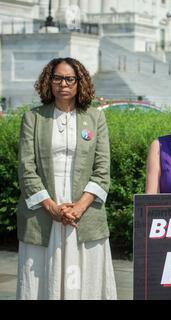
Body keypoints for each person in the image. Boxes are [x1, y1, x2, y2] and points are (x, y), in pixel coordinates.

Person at [16, 57, 116, 299]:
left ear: (79, 82)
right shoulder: (34, 118)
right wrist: (52, 208)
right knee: (39, 280)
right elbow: (26, 168)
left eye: (70, 79)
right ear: (48, 82)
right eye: (57, 78)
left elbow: (102, 169)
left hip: (83, 211)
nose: (63, 84)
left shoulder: (95, 117)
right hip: (44, 211)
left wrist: (78, 208)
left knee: (85, 280)